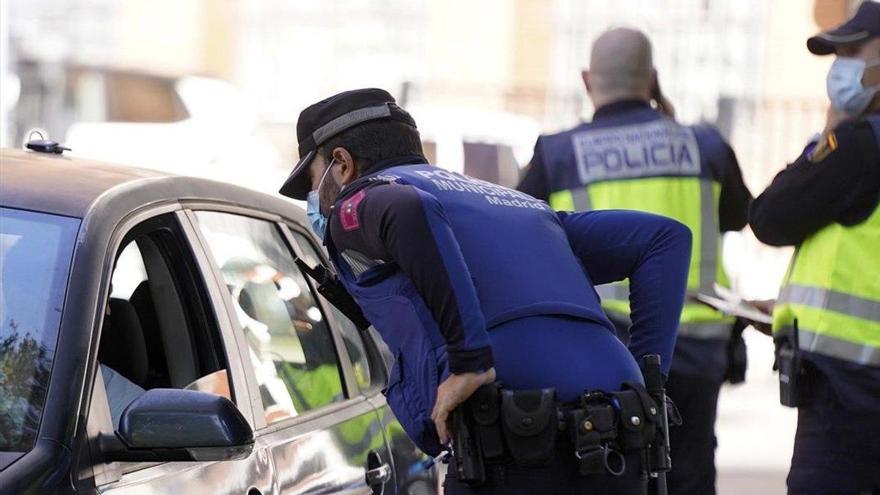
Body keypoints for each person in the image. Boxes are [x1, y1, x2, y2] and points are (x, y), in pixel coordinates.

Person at [279, 88, 692, 494]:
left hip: (516, 440)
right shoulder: (518, 205)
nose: (315, 200)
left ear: (342, 164)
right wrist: (646, 381)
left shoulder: (362, 200)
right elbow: (663, 238)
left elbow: (405, 212)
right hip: (622, 432)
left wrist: (469, 361)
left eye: (313, 183)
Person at [516, 27, 752, 495]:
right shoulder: (705, 145)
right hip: (697, 347)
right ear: (653, 79)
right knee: (688, 473)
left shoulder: (558, 153)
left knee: (609, 477)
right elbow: (741, 217)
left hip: (602, 350)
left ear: (588, 80)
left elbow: (522, 240)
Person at [749, 3, 880, 493]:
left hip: (852, 394)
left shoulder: (860, 147)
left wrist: (833, 130)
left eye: (851, 51)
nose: (839, 67)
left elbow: (768, 217)